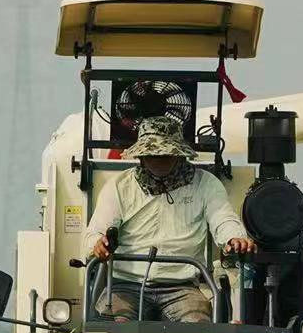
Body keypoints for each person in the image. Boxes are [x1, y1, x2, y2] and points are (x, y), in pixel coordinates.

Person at [86, 114, 253, 322]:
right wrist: (98, 243)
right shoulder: (119, 186)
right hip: (125, 285)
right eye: (152, 154)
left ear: (179, 155)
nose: (159, 160)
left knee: (198, 327)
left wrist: (234, 238)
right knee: (115, 329)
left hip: (182, 287)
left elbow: (223, 218)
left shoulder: (205, 184)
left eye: (165, 154)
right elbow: (97, 231)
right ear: (141, 156)